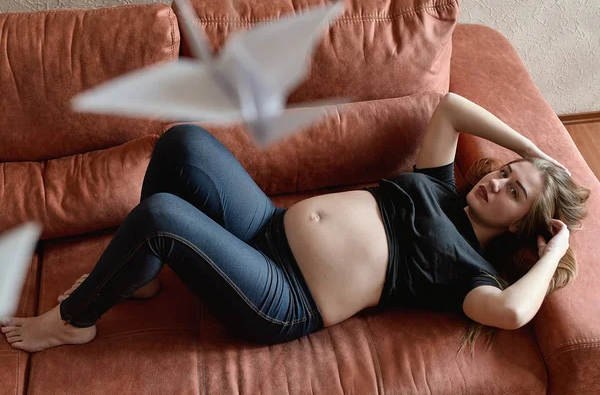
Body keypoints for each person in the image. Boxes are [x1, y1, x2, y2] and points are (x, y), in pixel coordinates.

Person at [0, 93, 590, 354]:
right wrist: (534, 154)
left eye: (514, 192)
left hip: (285, 297)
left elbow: (514, 312)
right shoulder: (441, 187)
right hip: (269, 227)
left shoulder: (472, 277)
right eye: (505, 172)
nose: (495, 182)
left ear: (520, 225)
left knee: (161, 216)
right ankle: (143, 273)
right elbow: (452, 106)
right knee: (183, 142)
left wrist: (555, 247)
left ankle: (72, 322)